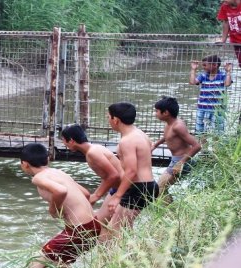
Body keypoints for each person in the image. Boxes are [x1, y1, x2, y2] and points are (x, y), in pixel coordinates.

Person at [20, 143, 101, 268]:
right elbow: (86, 193)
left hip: (80, 229)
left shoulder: (38, 177)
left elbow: (60, 191)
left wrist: (54, 209)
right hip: (93, 224)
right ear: (47, 159)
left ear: (25, 164)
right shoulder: (59, 173)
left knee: (36, 263)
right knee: (62, 263)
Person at [106, 102, 159, 234]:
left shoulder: (127, 141)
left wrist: (117, 196)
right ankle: (134, 253)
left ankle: (132, 254)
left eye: (109, 117)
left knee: (115, 230)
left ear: (116, 120)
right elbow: (148, 149)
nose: (108, 120)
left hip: (139, 188)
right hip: (147, 185)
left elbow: (131, 171)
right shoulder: (140, 133)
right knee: (124, 229)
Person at [61, 124, 123, 229]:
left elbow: (114, 175)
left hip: (124, 189)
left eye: (63, 140)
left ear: (71, 140)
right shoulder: (93, 149)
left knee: (100, 225)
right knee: (98, 223)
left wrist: (96, 196)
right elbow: (109, 176)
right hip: (116, 188)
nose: (63, 143)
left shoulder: (92, 152)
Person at [151, 97, 202, 197]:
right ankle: (169, 211)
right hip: (176, 160)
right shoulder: (169, 123)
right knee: (161, 189)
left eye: (157, 111)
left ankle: (169, 211)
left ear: (166, 113)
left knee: (160, 188)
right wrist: (155, 145)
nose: (155, 113)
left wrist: (181, 163)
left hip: (182, 160)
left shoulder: (178, 126)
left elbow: (197, 146)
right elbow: (167, 136)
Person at [188, 55, 233, 134]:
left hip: (217, 110)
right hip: (202, 108)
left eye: (205, 65)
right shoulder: (203, 75)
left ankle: (216, 146)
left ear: (215, 65)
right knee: (200, 132)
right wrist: (193, 69)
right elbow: (192, 82)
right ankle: (202, 146)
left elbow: (227, 84)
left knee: (217, 133)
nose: (203, 67)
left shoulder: (222, 75)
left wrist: (228, 72)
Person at [218, 0, 241, 67]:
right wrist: (223, 40)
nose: (222, 0)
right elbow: (226, 22)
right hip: (236, 41)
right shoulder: (224, 6)